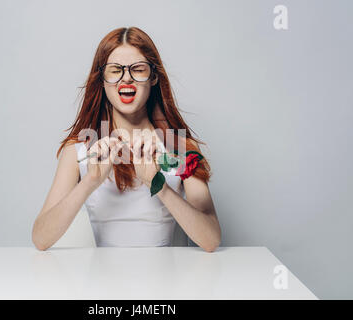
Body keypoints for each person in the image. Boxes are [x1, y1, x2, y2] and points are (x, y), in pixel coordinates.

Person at [32, 27, 221, 252]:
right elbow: (41, 239)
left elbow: (211, 240)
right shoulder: (79, 150)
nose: (126, 78)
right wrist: (90, 181)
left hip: (167, 283)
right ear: (101, 79)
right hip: (101, 284)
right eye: (115, 70)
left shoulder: (180, 147)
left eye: (138, 69)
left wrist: (158, 185)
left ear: (153, 78)